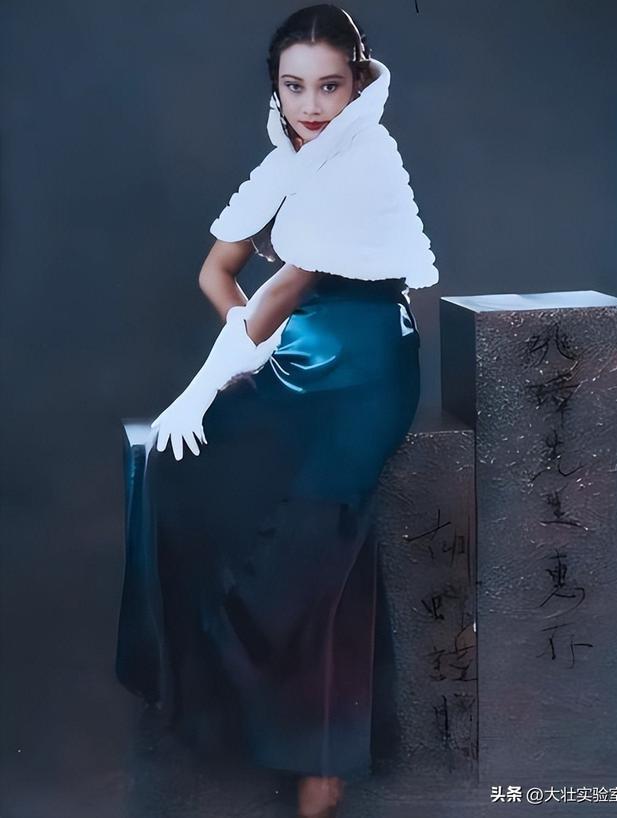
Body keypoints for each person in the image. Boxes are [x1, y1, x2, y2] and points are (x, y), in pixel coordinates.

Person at [115, 5, 438, 817]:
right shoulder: (283, 163)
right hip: (296, 352)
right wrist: (250, 351)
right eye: (295, 86)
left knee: (317, 529)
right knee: (173, 471)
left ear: (357, 84)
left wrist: (204, 387)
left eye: (330, 85)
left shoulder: (366, 153)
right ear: (276, 88)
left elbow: (284, 288)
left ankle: (320, 758)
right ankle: (235, 713)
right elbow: (217, 272)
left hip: (367, 361)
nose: (312, 105)